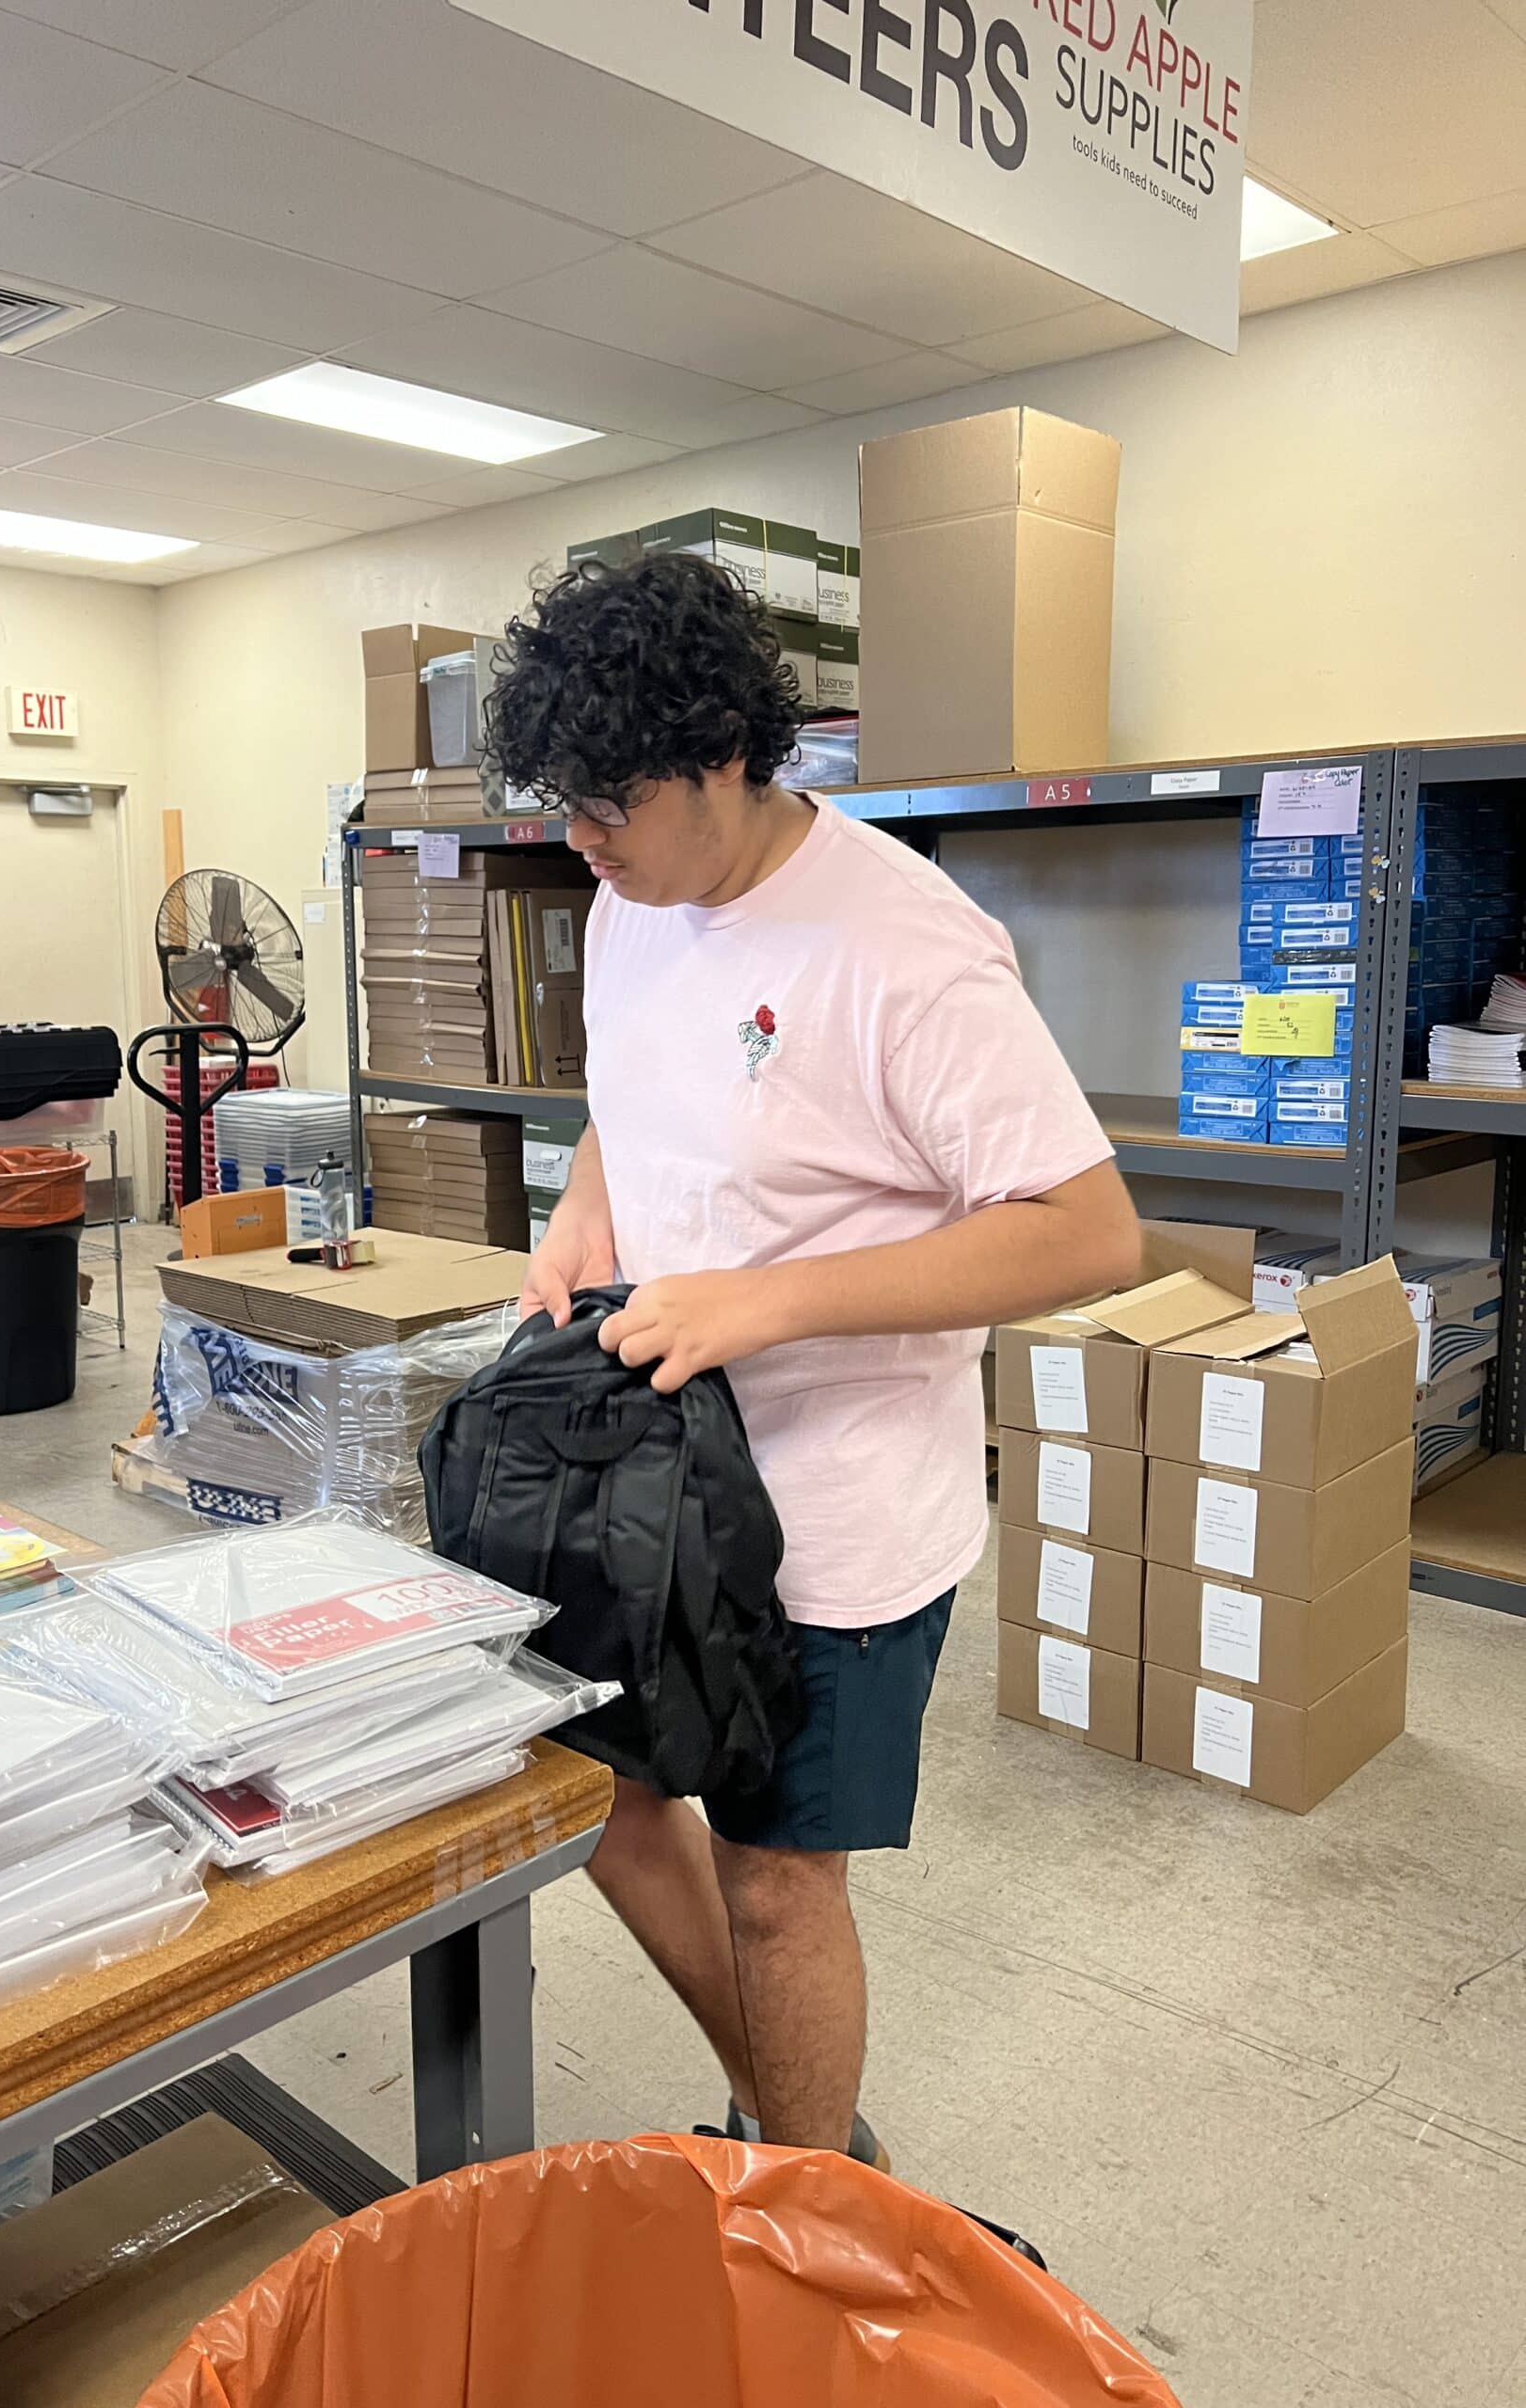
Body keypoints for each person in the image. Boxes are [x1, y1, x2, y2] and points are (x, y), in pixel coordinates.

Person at [484, 551, 1141, 2165]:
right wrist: (582, 1215)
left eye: (609, 804)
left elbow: (1085, 1231)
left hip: (839, 1507)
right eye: (563, 806)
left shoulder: (905, 944)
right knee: (607, 1807)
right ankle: (810, 2130)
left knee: (778, 1883)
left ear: (722, 756)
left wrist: (760, 1303)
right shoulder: (634, 901)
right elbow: (626, 1109)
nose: (580, 842)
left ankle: (801, 2203)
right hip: (656, 1475)